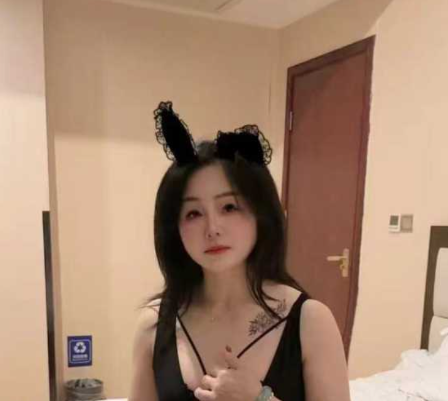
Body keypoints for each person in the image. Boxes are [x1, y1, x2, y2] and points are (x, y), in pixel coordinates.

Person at [129, 102, 351, 401]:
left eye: (229, 207)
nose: (213, 228)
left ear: (260, 213)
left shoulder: (310, 322)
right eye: (193, 213)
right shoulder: (154, 326)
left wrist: (261, 398)